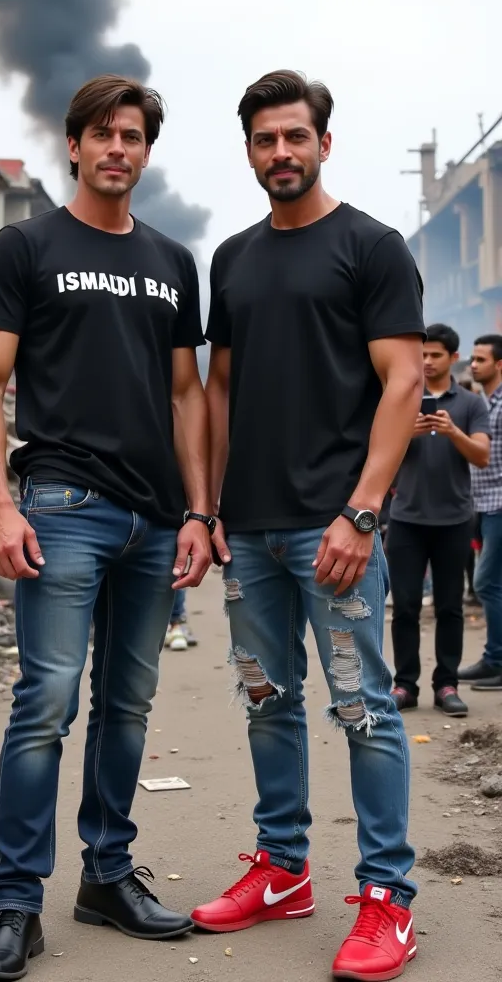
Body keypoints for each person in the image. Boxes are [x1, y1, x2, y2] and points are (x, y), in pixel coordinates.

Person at [0, 75, 227, 981]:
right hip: (63, 507)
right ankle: (15, 904)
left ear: (147, 152)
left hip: (156, 520)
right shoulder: (25, 245)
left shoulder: (170, 259)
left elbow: (186, 394)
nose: (118, 148)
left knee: (128, 707)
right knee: (44, 704)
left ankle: (107, 876)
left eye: (133, 135)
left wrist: (199, 510)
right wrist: (0, 502)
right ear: (73, 145)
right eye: (102, 134)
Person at [195, 69, 425, 981]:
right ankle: (284, 868)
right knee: (267, 700)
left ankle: (387, 899)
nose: (280, 153)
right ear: (249, 150)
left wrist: (361, 512)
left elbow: (403, 383)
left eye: (295, 137)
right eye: (264, 140)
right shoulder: (235, 258)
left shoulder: (371, 247)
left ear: (324, 143)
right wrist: (205, 509)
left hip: (336, 528)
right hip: (247, 529)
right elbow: (217, 390)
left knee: (365, 709)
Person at [387, 324, 490, 717]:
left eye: (435, 355)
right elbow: (376, 455)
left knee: (450, 607)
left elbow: (481, 455)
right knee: (406, 606)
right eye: (422, 355)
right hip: (407, 520)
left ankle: (446, 683)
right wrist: (404, 433)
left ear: (453, 357)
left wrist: (451, 431)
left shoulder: (470, 404)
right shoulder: (400, 399)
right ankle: (405, 684)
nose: (427, 362)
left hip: (454, 520)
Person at [459, 334, 502, 690]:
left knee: (486, 582)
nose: (473, 365)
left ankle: (497, 660)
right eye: (472, 359)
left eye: (481, 360)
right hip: (483, 504)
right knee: (492, 583)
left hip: (499, 505)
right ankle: (494, 658)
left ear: (499, 364)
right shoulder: (485, 402)